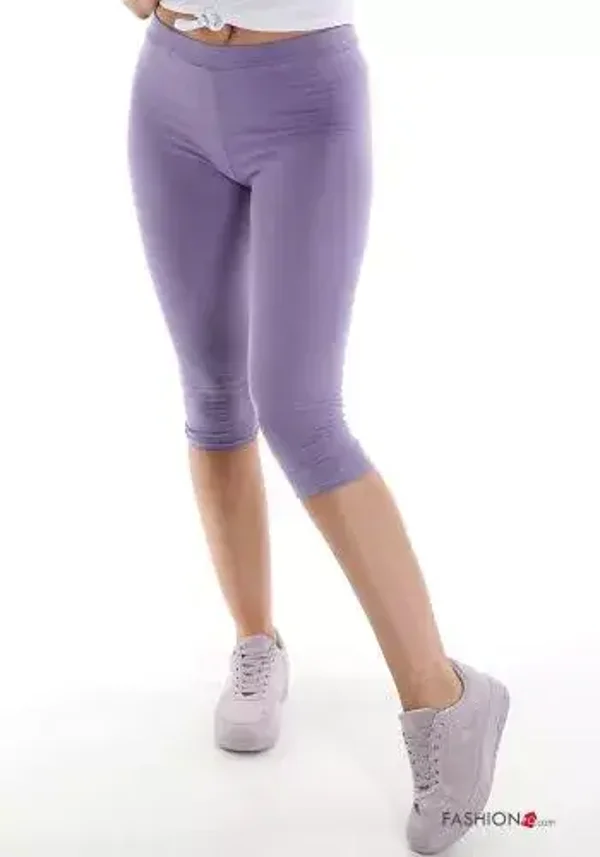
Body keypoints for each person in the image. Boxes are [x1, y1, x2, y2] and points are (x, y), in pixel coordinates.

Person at [124, 2, 510, 853]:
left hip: (302, 92)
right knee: (213, 395)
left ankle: (444, 697)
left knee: (299, 411)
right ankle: (255, 643)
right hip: (171, 84)